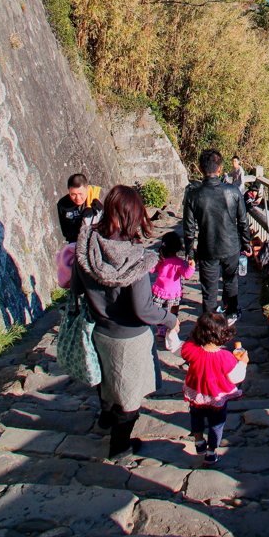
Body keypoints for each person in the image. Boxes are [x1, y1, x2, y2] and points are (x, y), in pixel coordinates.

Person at [72, 184, 179, 460]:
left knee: (107, 378)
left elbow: (76, 288)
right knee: (129, 397)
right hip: (128, 337)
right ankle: (119, 446)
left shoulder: (87, 246)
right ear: (134, 216)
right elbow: (144, 310)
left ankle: (105, 418)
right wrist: (170, 319)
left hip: (99, 330)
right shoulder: (135, 259)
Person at [183, 149, 251, 324]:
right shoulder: (234, 192)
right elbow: (243, 222)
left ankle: (209, 322)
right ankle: (231, 313)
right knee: (230, 280)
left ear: (199, 169)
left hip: (207, 248)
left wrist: (190, 254)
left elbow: (188, 228)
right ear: (220, 169)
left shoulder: (192, 196)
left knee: (209, 289)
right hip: (231, 246)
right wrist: (247, 244)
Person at [181, 310, 248, 465]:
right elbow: (236, 377)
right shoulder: (225, 357)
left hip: (196, 395)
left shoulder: (192, 349)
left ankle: (199, 442)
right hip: (217, 399)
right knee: (216, 424)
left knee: (196, 417)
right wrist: (243, 362)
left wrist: (171, 332)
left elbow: (177, 347)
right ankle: (211, 452)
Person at [152, 231, 194, 337]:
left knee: (159, 312)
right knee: (173, 312)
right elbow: (187, 275)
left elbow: (152, 270)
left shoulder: (160, 260)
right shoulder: (178, 262)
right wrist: (192, 266)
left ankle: (160, 331)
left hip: (159, 292)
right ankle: (171, 329)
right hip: (174, 293)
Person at [57, 173, 104, 244]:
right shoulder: (63, 204)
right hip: (75, 244)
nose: (77, 198)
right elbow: (64, 229)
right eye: (73, 194)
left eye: (80, 194)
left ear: (87, 189)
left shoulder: (98, 199)